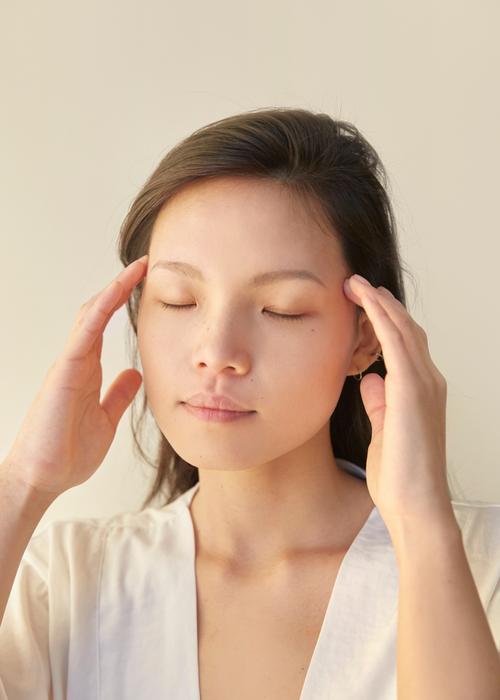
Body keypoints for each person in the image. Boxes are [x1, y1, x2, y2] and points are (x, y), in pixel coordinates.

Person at [0, 108, 499, 700]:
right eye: (179, 300)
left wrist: (421, 521)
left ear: (366, 336)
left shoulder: (481, 566)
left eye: (281, 309)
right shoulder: (63, 580)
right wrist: (23, 484)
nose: (216, 352)